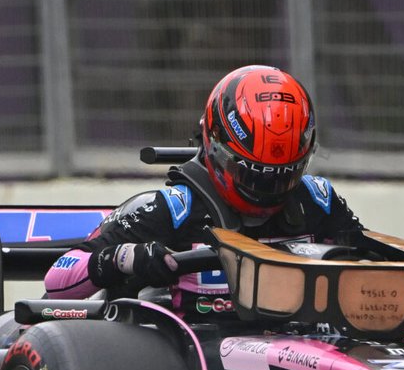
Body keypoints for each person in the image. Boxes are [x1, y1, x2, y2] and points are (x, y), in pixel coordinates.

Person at [43, 65, 364, 300]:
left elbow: (376, 264)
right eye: (252, 173)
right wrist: (124, 258)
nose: (268, 190)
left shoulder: (317, 202)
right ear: (215, 147)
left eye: (284, 174)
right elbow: (57, 278)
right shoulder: (172, 210)